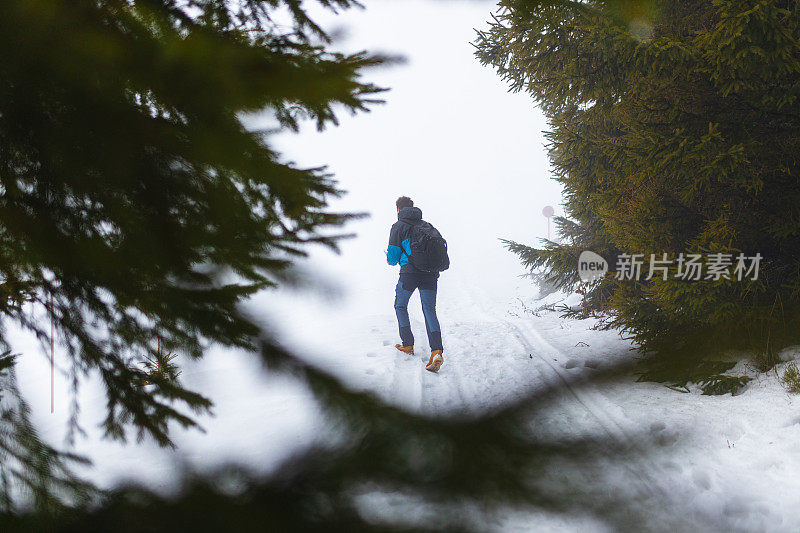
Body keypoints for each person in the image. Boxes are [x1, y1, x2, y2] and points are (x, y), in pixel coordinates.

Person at [386, 196, 444, 372]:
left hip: (409, 274)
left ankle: (408, 345)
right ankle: (436, 351)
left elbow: (392, 258)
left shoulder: (398, 226)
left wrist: (390, 256)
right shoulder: (427, 225)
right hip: (430, 274)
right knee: (429, 309)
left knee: (400, 305)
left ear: (398, 209)